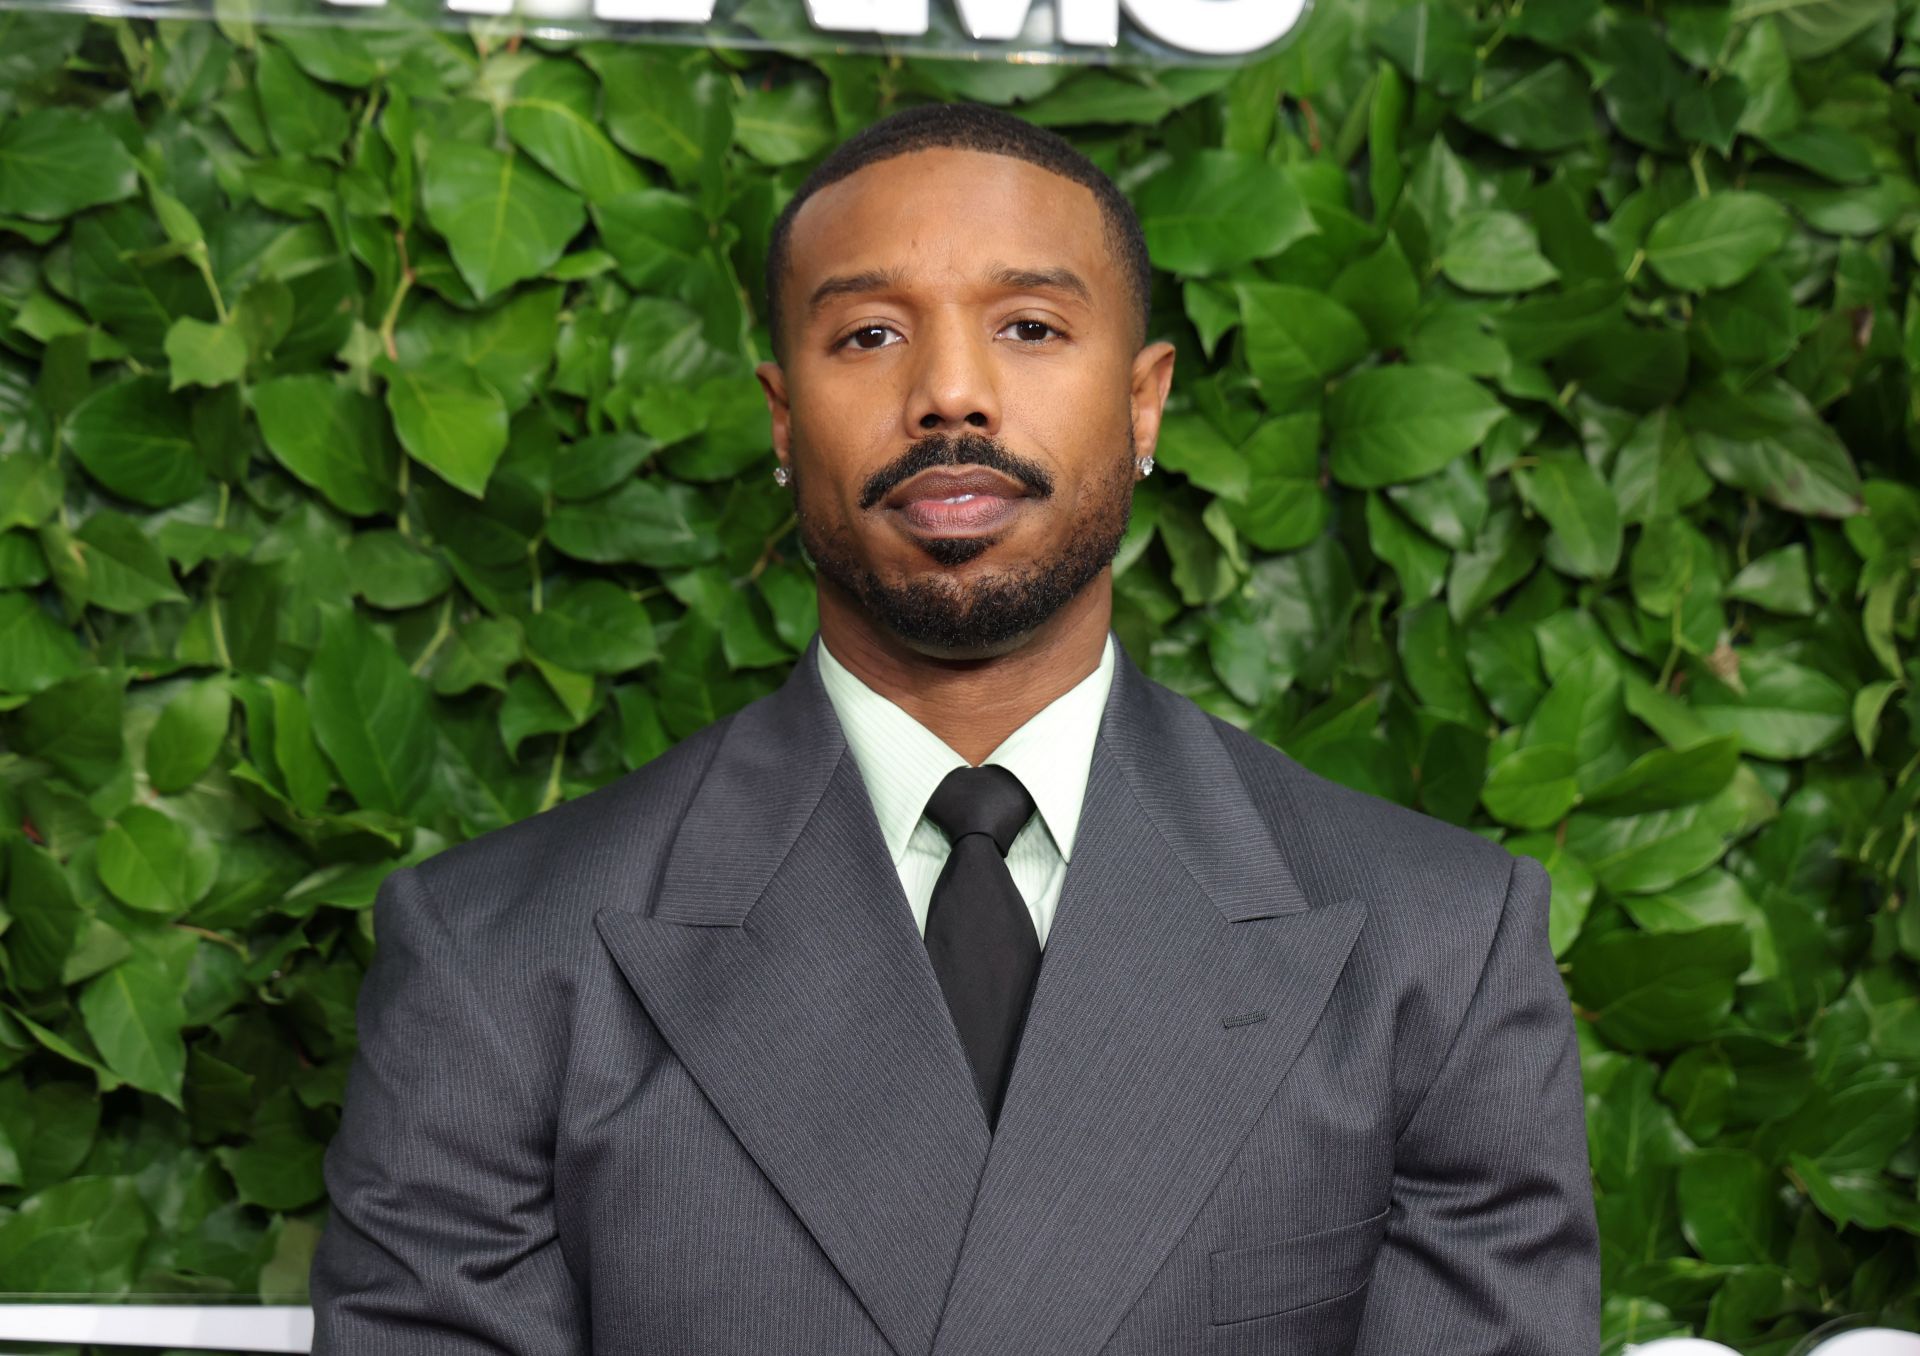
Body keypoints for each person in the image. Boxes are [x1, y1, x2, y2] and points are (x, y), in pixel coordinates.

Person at [309, 101, 1600, 1354]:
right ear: (779, 416)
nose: (952, 395)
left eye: (1031, 325)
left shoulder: (1435, 947)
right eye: (869, 335)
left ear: (1144, 404)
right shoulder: (498, 961)